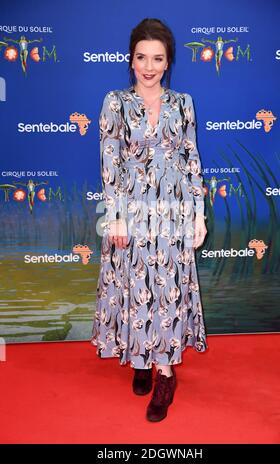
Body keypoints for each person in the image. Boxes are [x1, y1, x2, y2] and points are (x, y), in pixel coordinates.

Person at [91, 18, 208, 422]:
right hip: (133, 212)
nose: (149, 66)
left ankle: (165, 373)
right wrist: (116, 217)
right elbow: (110, 163)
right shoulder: (115, 102)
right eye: (142, 57)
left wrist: (199, 215)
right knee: (136, 284)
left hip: (173, 212)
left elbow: (191, 160)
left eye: (158, 58)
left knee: (168, 290)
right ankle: (141, 356)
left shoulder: (183, 103)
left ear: (168, 61)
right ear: (131, 59)